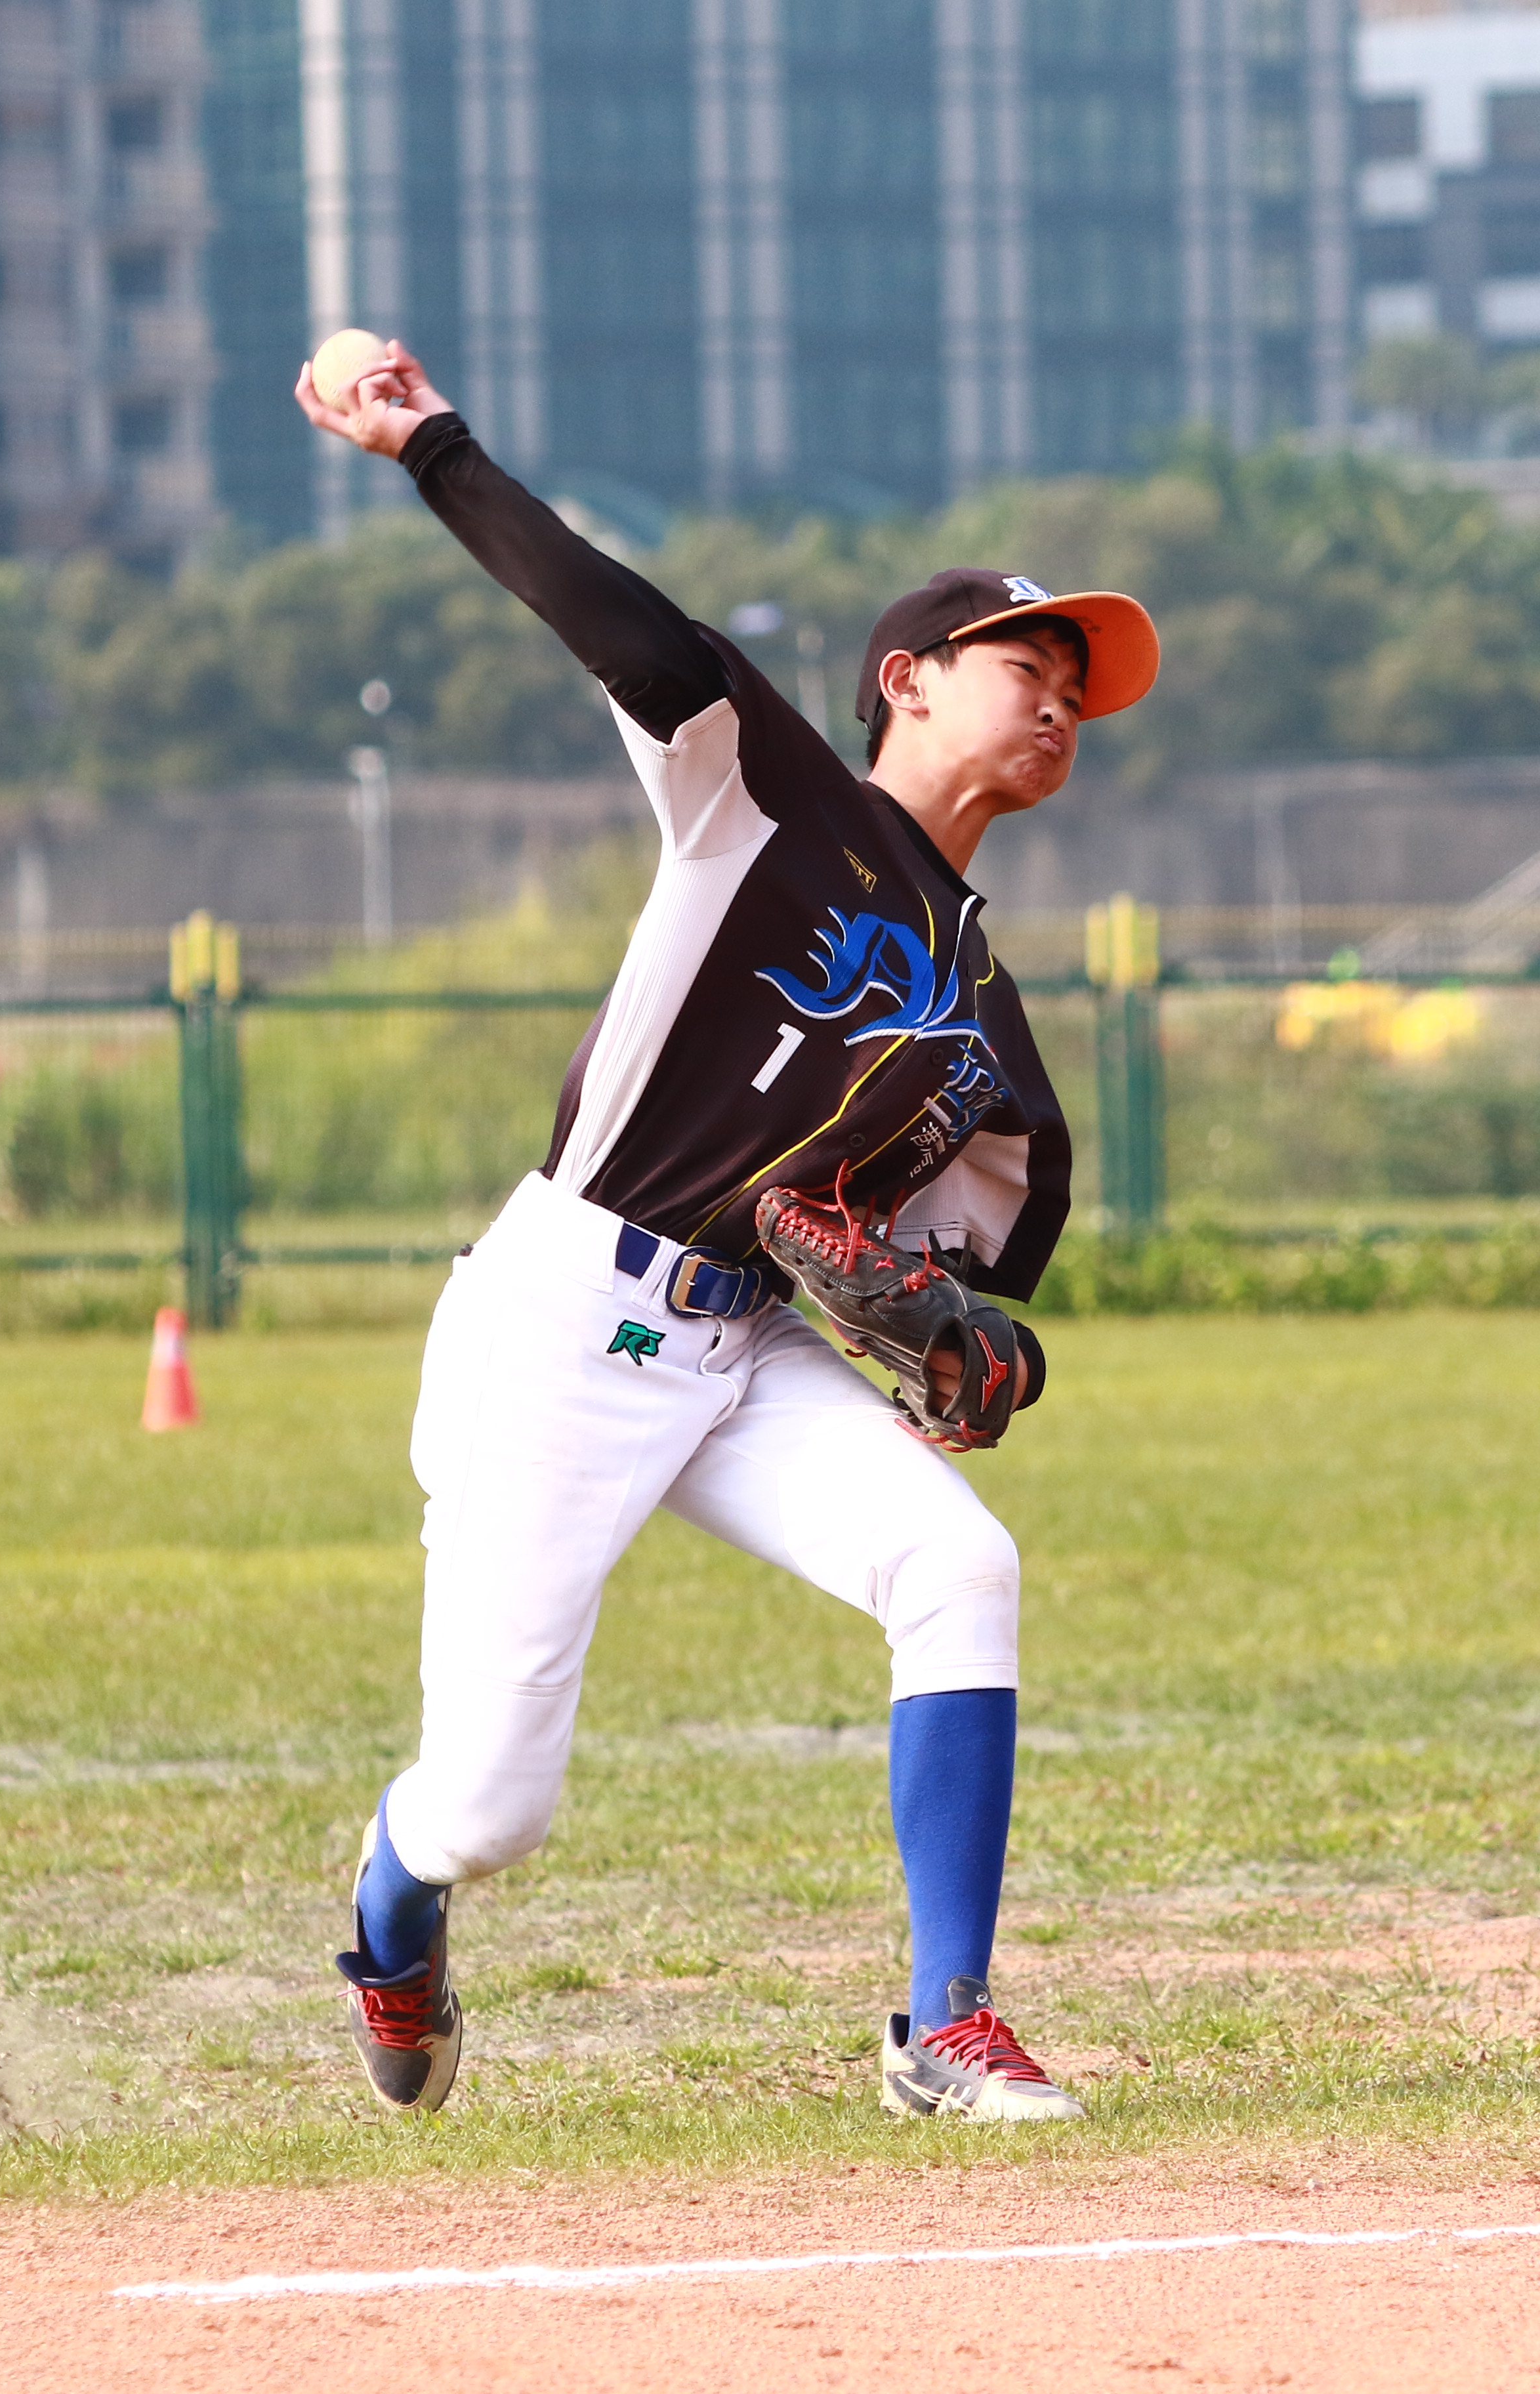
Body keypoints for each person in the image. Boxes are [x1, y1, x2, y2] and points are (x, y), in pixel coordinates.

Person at [295, 339, 1157, 2124]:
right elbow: (618, 623)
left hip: (744, 1348)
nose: (1060, 704)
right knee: (491, 1809)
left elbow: (951, 1275)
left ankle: (946, 2026)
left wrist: (950, 1353)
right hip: (563, 1319)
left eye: (1079, 690)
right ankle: (394, 1905)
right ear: (907, 681)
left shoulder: (986, 1015)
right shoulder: (763, 794)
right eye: (1028, 665)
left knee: (959, 1566)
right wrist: (432, 446)